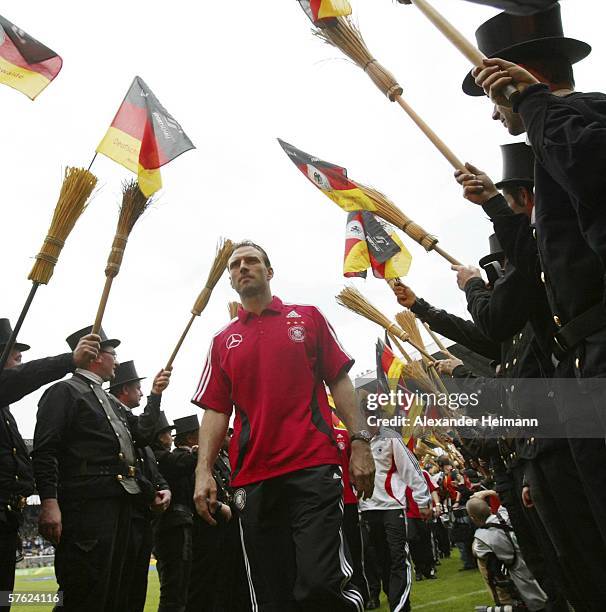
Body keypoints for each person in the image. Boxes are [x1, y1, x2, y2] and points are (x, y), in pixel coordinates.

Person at [192, 240, 374, 611]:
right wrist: (203, 472)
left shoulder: (307, 317)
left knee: (322, 584)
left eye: (252, 261)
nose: (243, 267)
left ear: (269, 271)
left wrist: (360, 442)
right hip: (252, 477)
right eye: (235, 265)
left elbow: (340, 381)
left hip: (313, 467)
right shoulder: (221, 341)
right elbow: (215, 410)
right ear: (230, 279)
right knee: (273, 594)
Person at [32, 326, 171, 612]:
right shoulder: (64, 392)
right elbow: (45, 451)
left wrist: (155, 396)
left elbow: (143, 435)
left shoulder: (109, 402)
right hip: (88, 506)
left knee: (117, 590)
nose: (117, 362)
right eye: (113, 354)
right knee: (86, 590)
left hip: (120, 504)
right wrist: (49, 501)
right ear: (95, 355)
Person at [0, 319, 99, 610]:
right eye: (12, 351)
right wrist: (68, 361)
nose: (20, 357)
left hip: (7, 522)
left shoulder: (5, 410)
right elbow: (17, 379)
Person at [109, 360, 172, 612]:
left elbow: (152, 469)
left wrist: (162, 488)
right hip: (123, 511)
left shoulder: (132, 426)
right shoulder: (114, 421)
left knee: (136, 586)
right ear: (124, 389)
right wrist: (149, 492)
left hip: (142, 514)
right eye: (138, 388)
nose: (141, 392)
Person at [359, 403, 431, 612]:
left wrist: (423, 500)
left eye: (374, 415)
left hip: (392, 508)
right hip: (367, 510)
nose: (371, 419)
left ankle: (399, 607)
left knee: (398, 558)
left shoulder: (391, 437)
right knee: (381, 561)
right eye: (366, 415)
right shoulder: (357, 441)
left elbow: (411, 469)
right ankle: (396, 601)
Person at [153, 414, 200, 612]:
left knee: (179, 586)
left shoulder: (160, 457)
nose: (170, 437)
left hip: (174, 525)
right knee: (174, 587)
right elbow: (183, 464)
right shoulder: (162, 458)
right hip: (172, 527)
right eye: (165, 432)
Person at [467, 496, 547, 611]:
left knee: (483, 562)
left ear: (473, 518)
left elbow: (476, 552)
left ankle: (504, 602)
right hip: (534, 559)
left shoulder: (482, 537)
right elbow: (503, 501)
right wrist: (489, 492)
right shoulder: (507, 514)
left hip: (519, 573)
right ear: (489, 508)